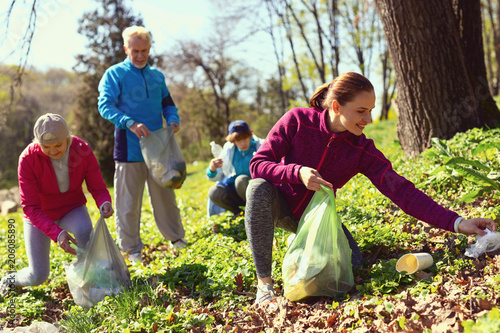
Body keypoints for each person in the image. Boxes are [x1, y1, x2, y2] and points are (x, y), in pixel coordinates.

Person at [245, 72, 497, 306]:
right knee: (257, 189)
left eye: (371, 111)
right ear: (336, 106)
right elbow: (257, 164)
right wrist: (295, 172)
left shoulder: (361, 149)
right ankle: (265, 285)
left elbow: (402, 191)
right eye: (361, 111)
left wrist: (458, 222)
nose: (368, 119)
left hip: (318, 217)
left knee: (352, 265)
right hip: (280, 204)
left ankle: (301, 243)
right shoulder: (298, 121)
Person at [97, 25, 186, 265]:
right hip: (129, 150)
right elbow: (105, 105)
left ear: (149, 49)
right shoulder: (114, 74)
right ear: (126, 48)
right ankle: (132, 250)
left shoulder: (157, 76)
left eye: (144, 50)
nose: (139, 55)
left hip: (159, 151)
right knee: (127, 204)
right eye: (134, 50)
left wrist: (173, 118)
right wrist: (128, 122)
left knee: (165, 197)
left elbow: (168, 103)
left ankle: (177, 239)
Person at [0, 113, 113, 295]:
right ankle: (10, 278)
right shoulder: (27, 159)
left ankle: (91, 284)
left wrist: (104, 202)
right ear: (38, 143)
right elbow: (30, 207)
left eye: (58, 145)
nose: (53, 151)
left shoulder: (82, 149)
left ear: (68, 138)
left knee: (85, 231)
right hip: (40, 216)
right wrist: (57, 233)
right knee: (38, 275)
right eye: (46, 147)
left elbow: (98, 187)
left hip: (72, 208)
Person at [207, 120, 263, 216]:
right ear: (233, 141)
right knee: (214, 192)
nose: (242, 143)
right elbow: (216, 176)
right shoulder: (228, 150)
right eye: (238, 140)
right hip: (235, 192)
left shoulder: (260, 146)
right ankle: (239, 213)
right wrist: (212, 169)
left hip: (256, 191)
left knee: (241, 180)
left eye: (244, 138)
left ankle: (255, 211)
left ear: (249, 136)